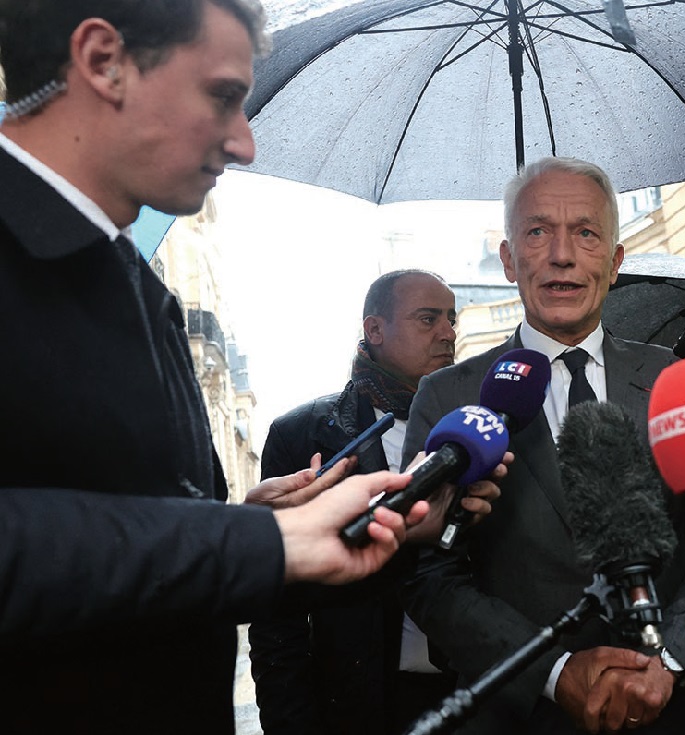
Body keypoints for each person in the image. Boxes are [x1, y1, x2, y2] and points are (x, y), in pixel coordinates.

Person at [0, 2, 483, 732]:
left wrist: (276, 532)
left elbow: (128, 557)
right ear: (103, 62)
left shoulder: (133, 285)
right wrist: (255, 542)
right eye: (223, 96)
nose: (244, 143)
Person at [402, 157, 685, 734]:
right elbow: (428, 576)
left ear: (614, 262)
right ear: (509, 259)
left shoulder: (678, 381)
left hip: (671, 712)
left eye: (586, 233)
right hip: (520, 716)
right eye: (537, 232)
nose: (562, 255)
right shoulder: (447, 396)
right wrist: (553, 671)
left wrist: (668, 662)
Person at [250, 269, 469, 734]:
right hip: (356, 705)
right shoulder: (302, 433)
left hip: (474, 696)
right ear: (375, 330)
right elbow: (278, 612)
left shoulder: (477, 428)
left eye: (451, 319)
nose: (448, 333)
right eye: (428, 319)